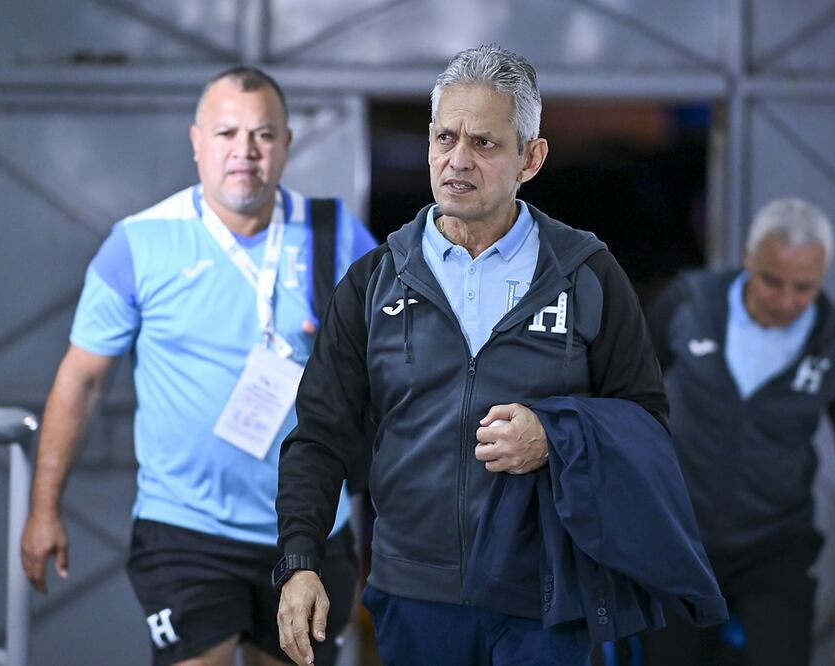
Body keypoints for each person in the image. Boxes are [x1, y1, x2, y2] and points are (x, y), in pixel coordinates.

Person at [273, 44, 725, 666]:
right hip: (414, 599)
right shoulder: (374, 281)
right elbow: (319, 437)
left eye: (484, 144)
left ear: (530, 158)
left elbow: (645, 422)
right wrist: (300, 561)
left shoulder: (584, 274)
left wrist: (555, 433)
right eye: (445, 138)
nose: (458, 161)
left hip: (544, 603)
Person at [20, 66, 377, 666]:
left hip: (309, 530)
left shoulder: (335, 233)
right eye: (226, 133)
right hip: (184, 527)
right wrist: (43, 509)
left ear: (287, 143)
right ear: (196, 142)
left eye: (264, 134)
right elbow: (80, 383)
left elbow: (395, 364)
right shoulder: (138, 244)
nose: (245, 151)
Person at [643, 197, 835, 666]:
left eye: (805, 288)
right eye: (773, 281)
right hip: (681, 543)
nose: (786, 301)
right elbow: (623, 410)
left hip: (776, 548)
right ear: (748, 259)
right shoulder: (687, 305)